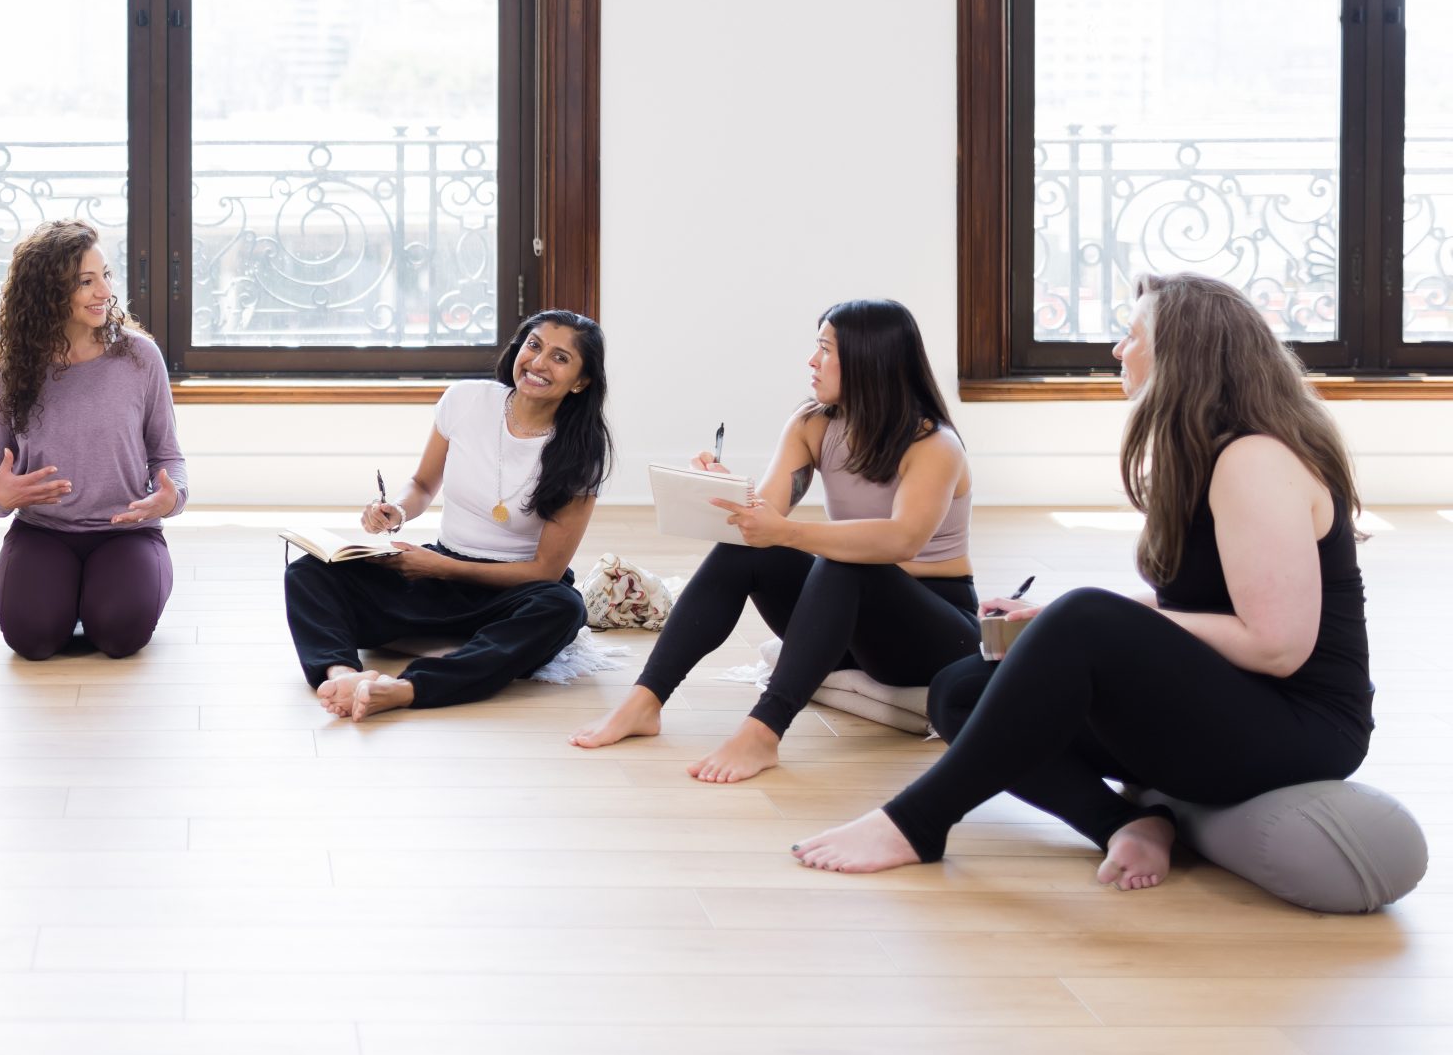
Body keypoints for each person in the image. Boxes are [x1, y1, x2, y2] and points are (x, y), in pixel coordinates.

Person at [793, 273, 1375, 888]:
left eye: (1132, 336)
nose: (1118, 351)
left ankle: (915, 822)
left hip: (1297, 727)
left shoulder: (1255, 459)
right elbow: (1203, 602)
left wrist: (1098, 623)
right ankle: (1122, 823)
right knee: (961, 689)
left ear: (1184, 355)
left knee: (1087, 613)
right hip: (1227, 702)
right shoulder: (1203, 454)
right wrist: (1057, 623)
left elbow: (1277, 646)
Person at [572, 299, 980, 781]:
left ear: (870, 360)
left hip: (930, 629)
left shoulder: (934, 445)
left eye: (825, 350)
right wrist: (726, 495)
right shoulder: (814, 424)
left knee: (843, 561)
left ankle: (764, 731)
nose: (812, 362)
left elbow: (901, 540)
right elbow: (767, 515)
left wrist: (787, 531)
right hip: (847, 628)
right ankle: (645, 700)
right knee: (750, 550)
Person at [285, 310, 609, 720]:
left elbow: (545, 570)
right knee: (309, 573)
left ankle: (407, 688)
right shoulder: (466, 400)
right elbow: (422, 485)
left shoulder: (584, 452)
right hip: (437, 570)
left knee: (562, 608)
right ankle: (343, 673)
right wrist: (396, 511)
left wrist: (442, 568)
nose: (539, 362)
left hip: (514, 588)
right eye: (534, 345)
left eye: (560, 358)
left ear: (581, 382)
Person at [0, 220, 188, 659]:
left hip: (126, 532)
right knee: (31, 640)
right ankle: (68, 596)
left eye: (106, 275)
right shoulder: (9, 370)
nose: (105, 291)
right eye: (85, 282)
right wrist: (1, 497)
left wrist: (171, 499)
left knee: (119, 634)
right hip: (42, 532)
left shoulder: (140, 357)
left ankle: (97, 595)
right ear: (47, 291)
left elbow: (168, 457)